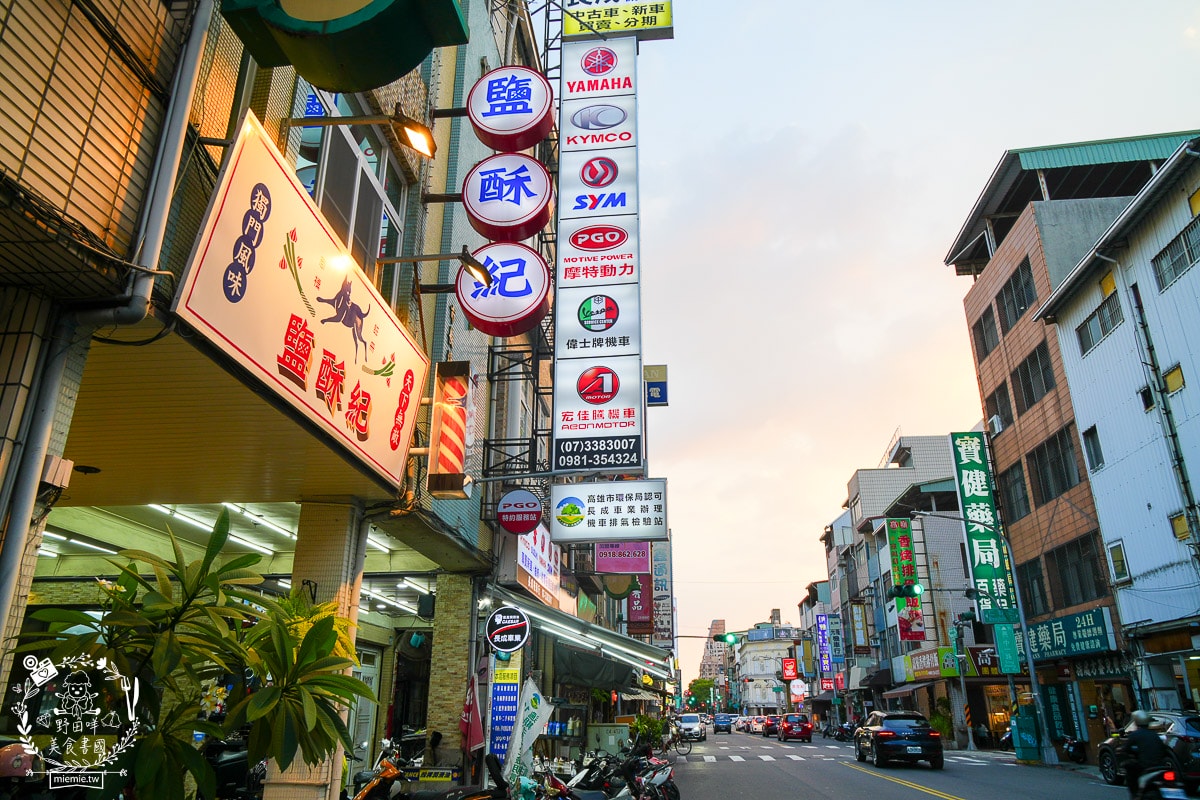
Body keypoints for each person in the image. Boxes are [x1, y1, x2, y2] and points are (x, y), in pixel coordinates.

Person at [1124, 710, 1170, 798]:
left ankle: (1135, 794)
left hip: (1145, 766)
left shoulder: (1135, 735)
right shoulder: (1154, 735)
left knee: (1129, 769)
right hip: (1160, 765)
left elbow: (1126, 749)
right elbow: (1164, 749)